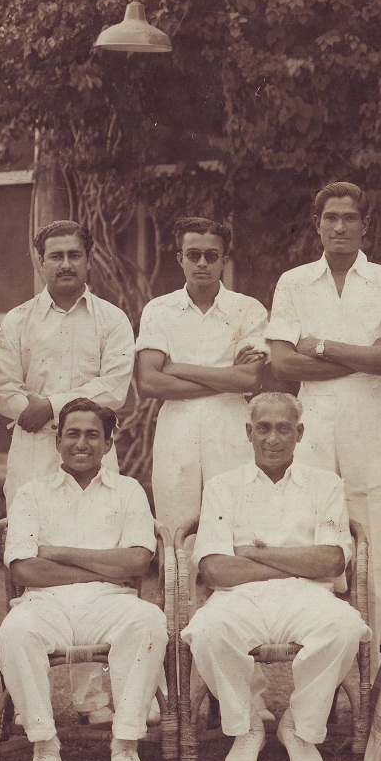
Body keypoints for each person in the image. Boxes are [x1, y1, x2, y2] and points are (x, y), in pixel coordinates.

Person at [180, 393, 370, 761]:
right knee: (207, 630)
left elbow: (332, 562)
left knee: (346, 627)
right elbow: (215, 571)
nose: (272, 439)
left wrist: (254, 553)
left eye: (284, 429)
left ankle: (298, 728)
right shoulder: (222, 486)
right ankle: (247, 726)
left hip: (308, 595)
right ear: (248, 432)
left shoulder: (326, 484)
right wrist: (299, 562)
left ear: (300, 433)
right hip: (238, 597)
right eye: (263, 428)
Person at [0, 219, 135, 726]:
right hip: (33, 450)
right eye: (55, 256)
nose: (66, 264)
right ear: (40, 261)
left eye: (74, 254)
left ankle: (91, 697)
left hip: (93, 449)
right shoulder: (18, 321)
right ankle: (20, 692)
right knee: (31, 558)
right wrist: (34, 410)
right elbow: (4, 392)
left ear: (88, 259)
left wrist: (50, 405)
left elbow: (114, 389)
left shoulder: (112, 320)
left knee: (94, 556)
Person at [264, 181, 381, 639]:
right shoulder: (294, 282)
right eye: (331, 218)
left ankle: (379, 655)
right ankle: (317, 648)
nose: (340, 227)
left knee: (378, 536)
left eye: (350, 218)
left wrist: (323, 346)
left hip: (369, 414)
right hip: (311, 415)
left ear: (365, 225)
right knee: (311, 528)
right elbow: (282, 363)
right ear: (317, 225)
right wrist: (366, 357)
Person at [0, 400, 169, 761]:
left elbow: (137, 562)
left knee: (149, 622)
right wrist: (104, 564)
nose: (81, 443)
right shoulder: (31, 493)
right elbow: (23, 570)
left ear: (108, 444)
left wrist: (57, 552)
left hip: (112, 601)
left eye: (92, 435)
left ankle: (125, 747)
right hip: (44, 601)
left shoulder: (128, 491)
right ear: (57, 441)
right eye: (72, 434)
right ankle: (45, 749)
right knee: (15, 633)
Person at [134, 217, 268, 541]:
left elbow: (250, 379)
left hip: (230, 423)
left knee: (235, 522)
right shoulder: (159, 309)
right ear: (180, 258)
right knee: (176, 523)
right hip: (176, 426)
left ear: (224, 260)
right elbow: (148, 382)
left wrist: (176, 367)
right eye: (193, 255)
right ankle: (178, 577)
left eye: (211, 255)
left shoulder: (248, 309)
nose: (202, 263)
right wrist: (227, 376)